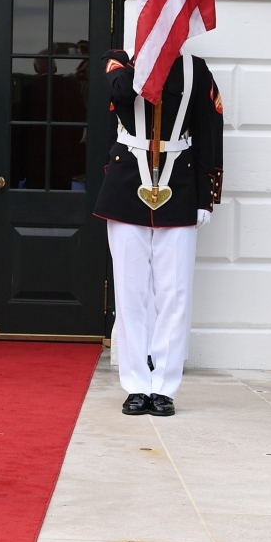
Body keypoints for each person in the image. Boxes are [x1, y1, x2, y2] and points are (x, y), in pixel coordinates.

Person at [94, 50, 223, 418]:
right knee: (131, 292)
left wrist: (205, 195)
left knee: (175, 294)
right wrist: (153, 57)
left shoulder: (196, 68)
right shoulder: (119, 61)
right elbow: (120, 90)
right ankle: (136, 385)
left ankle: (164, 388)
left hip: (179, 187)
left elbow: (208, 132)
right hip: (126, 186)